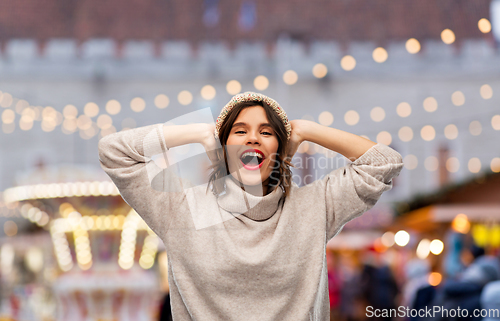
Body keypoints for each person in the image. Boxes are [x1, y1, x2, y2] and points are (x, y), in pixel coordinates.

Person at [98, 92, 404, 320]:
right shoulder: (182, 209)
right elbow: (113, 152)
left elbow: (384, 162)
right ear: (223, 148)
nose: (253, 138)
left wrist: (307, 130)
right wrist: (197, 133)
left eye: (267, 132)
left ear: (279, 149)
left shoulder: (314, 206)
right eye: (240, 131)